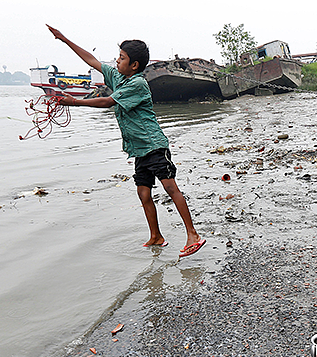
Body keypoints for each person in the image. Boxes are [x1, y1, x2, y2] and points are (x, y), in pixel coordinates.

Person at [46, 25, 205, 256]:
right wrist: (64, 39)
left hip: (153, 145)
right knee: (143, 193)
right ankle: (156, 236)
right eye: (118, 57)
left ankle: (193, 235)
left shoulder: (137, 84)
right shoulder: (118, 76)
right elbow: (92, 60)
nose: (117, 62)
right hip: (139, 149)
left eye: (121, 58)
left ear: (135, 65)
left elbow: (108, 102)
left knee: (170, 187)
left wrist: (76, 102)